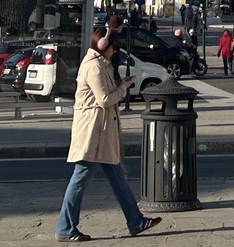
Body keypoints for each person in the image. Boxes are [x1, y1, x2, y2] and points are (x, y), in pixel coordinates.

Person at [55, 26, 162, 241]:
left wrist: (121, 84)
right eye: (113, 47)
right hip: (93, 132)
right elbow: (104, 99)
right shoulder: (94, 67)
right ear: (104, 46)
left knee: (118, 177)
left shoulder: (99, 64)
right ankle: (65, 228)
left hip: (101, 131)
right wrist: (123, 88)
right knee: (80, 179)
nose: (114, 51)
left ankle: (136, 221)